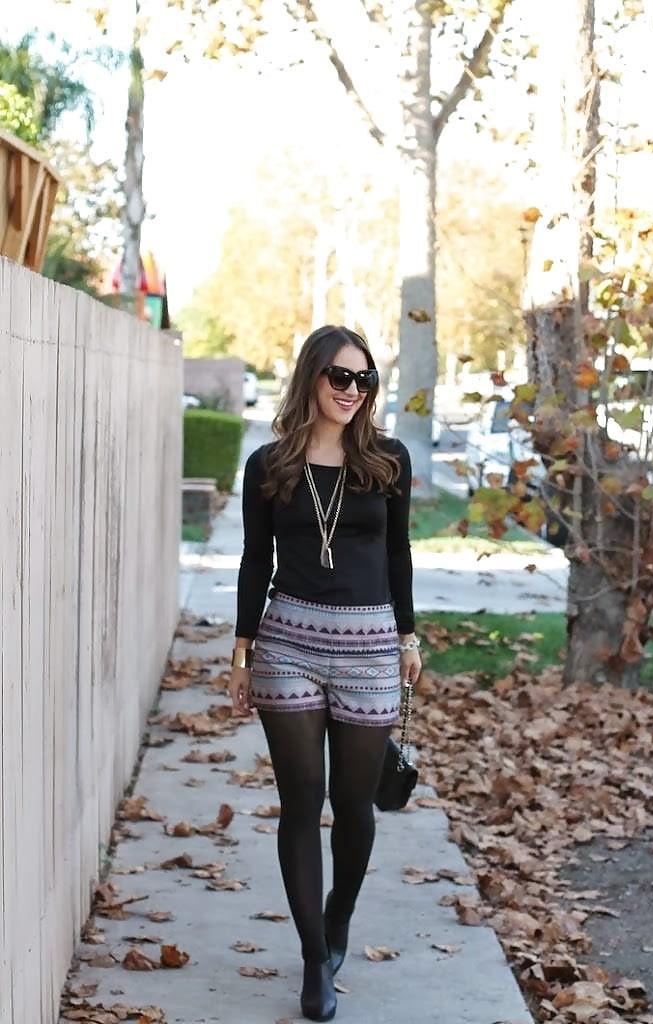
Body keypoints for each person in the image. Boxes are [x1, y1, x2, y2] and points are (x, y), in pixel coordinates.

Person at [229, 325, 422, 1022]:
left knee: (354, 803)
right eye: (340, 376)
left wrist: (408, 636)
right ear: (311, 376)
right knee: (302, 802)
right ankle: (315, 958)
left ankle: (338, 915)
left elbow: (398, 553)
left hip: (370, 646)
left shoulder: (388, 461)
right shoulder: (270, 465)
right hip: (287, 645)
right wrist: (242, 654)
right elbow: (256, 559)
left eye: (363, 379)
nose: (352, 390)